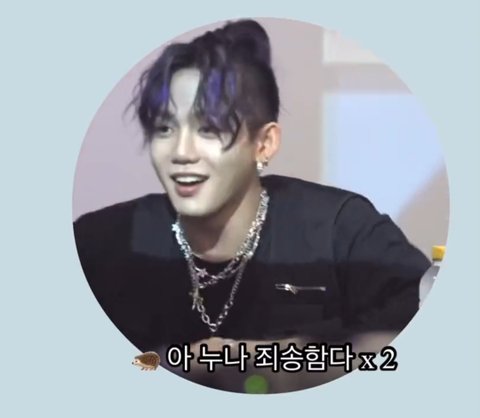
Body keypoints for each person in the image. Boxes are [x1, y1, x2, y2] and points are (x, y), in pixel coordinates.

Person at [73, 19, 430, 389]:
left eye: (210, 129)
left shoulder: (340, 230)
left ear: (264, 144)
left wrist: (255, 357)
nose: (181, 152)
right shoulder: (104, 242)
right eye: (165, 129)